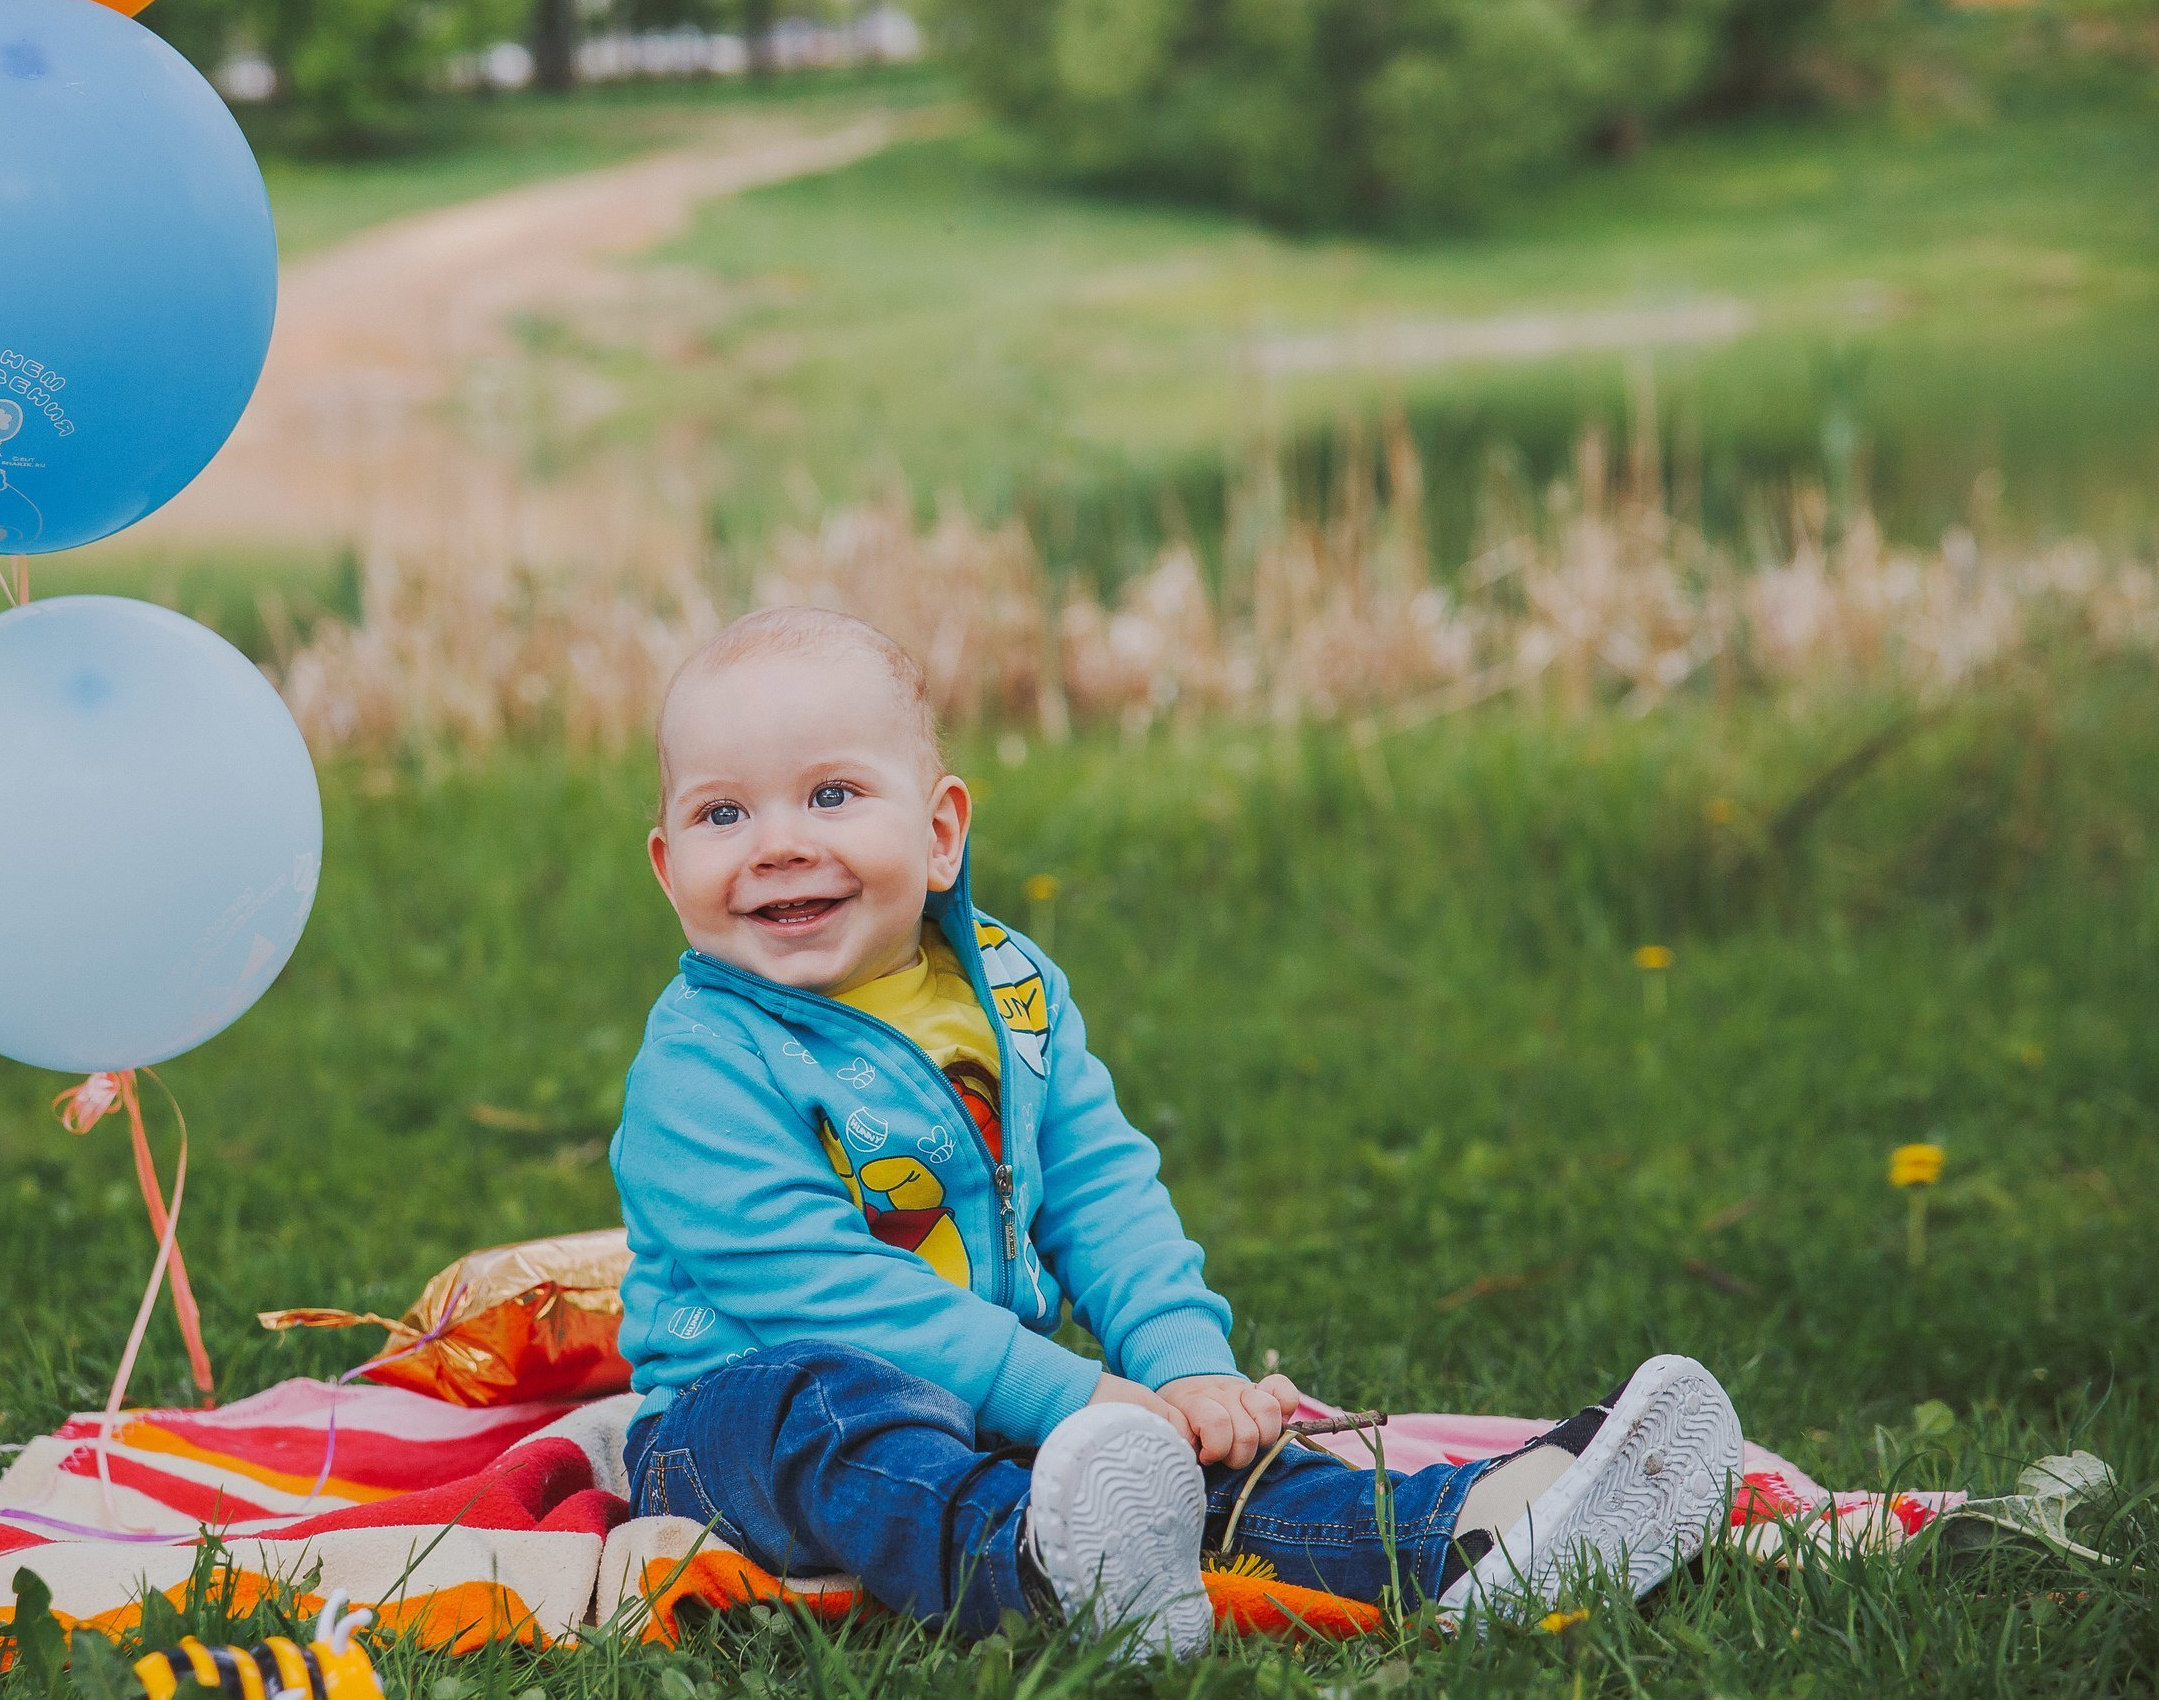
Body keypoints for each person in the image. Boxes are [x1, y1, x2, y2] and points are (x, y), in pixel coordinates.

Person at [610, 607, 1743, 1655]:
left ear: (941, 832)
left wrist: (1184, 1371)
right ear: (668, 871)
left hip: (994, 1406)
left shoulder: (1007, 994)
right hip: (733, 1437)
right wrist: (1069, 1395)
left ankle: (1469, 1532)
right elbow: (825, 1292)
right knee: (824, 1407)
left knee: (1183, 1464)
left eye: (831, 795)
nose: (776, 843)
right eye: (722, 814)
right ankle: (1040, 1569)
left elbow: (1100, 1191)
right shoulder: (701, 1066)